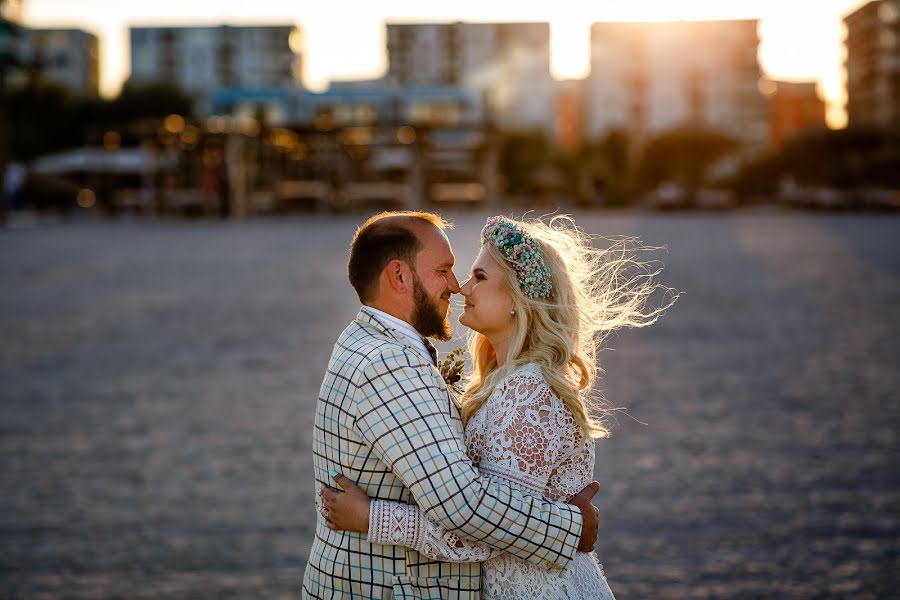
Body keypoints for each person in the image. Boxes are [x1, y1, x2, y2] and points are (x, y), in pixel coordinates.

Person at [321, 215, 675, 599]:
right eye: (449, 271)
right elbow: (477, 511)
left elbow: (485, 535)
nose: (460, 288)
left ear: (517, 299)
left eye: (479, 277)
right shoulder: (498, 383)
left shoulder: (527, 391)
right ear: (399, 276)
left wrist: (373, 518)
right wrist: (570, 526)